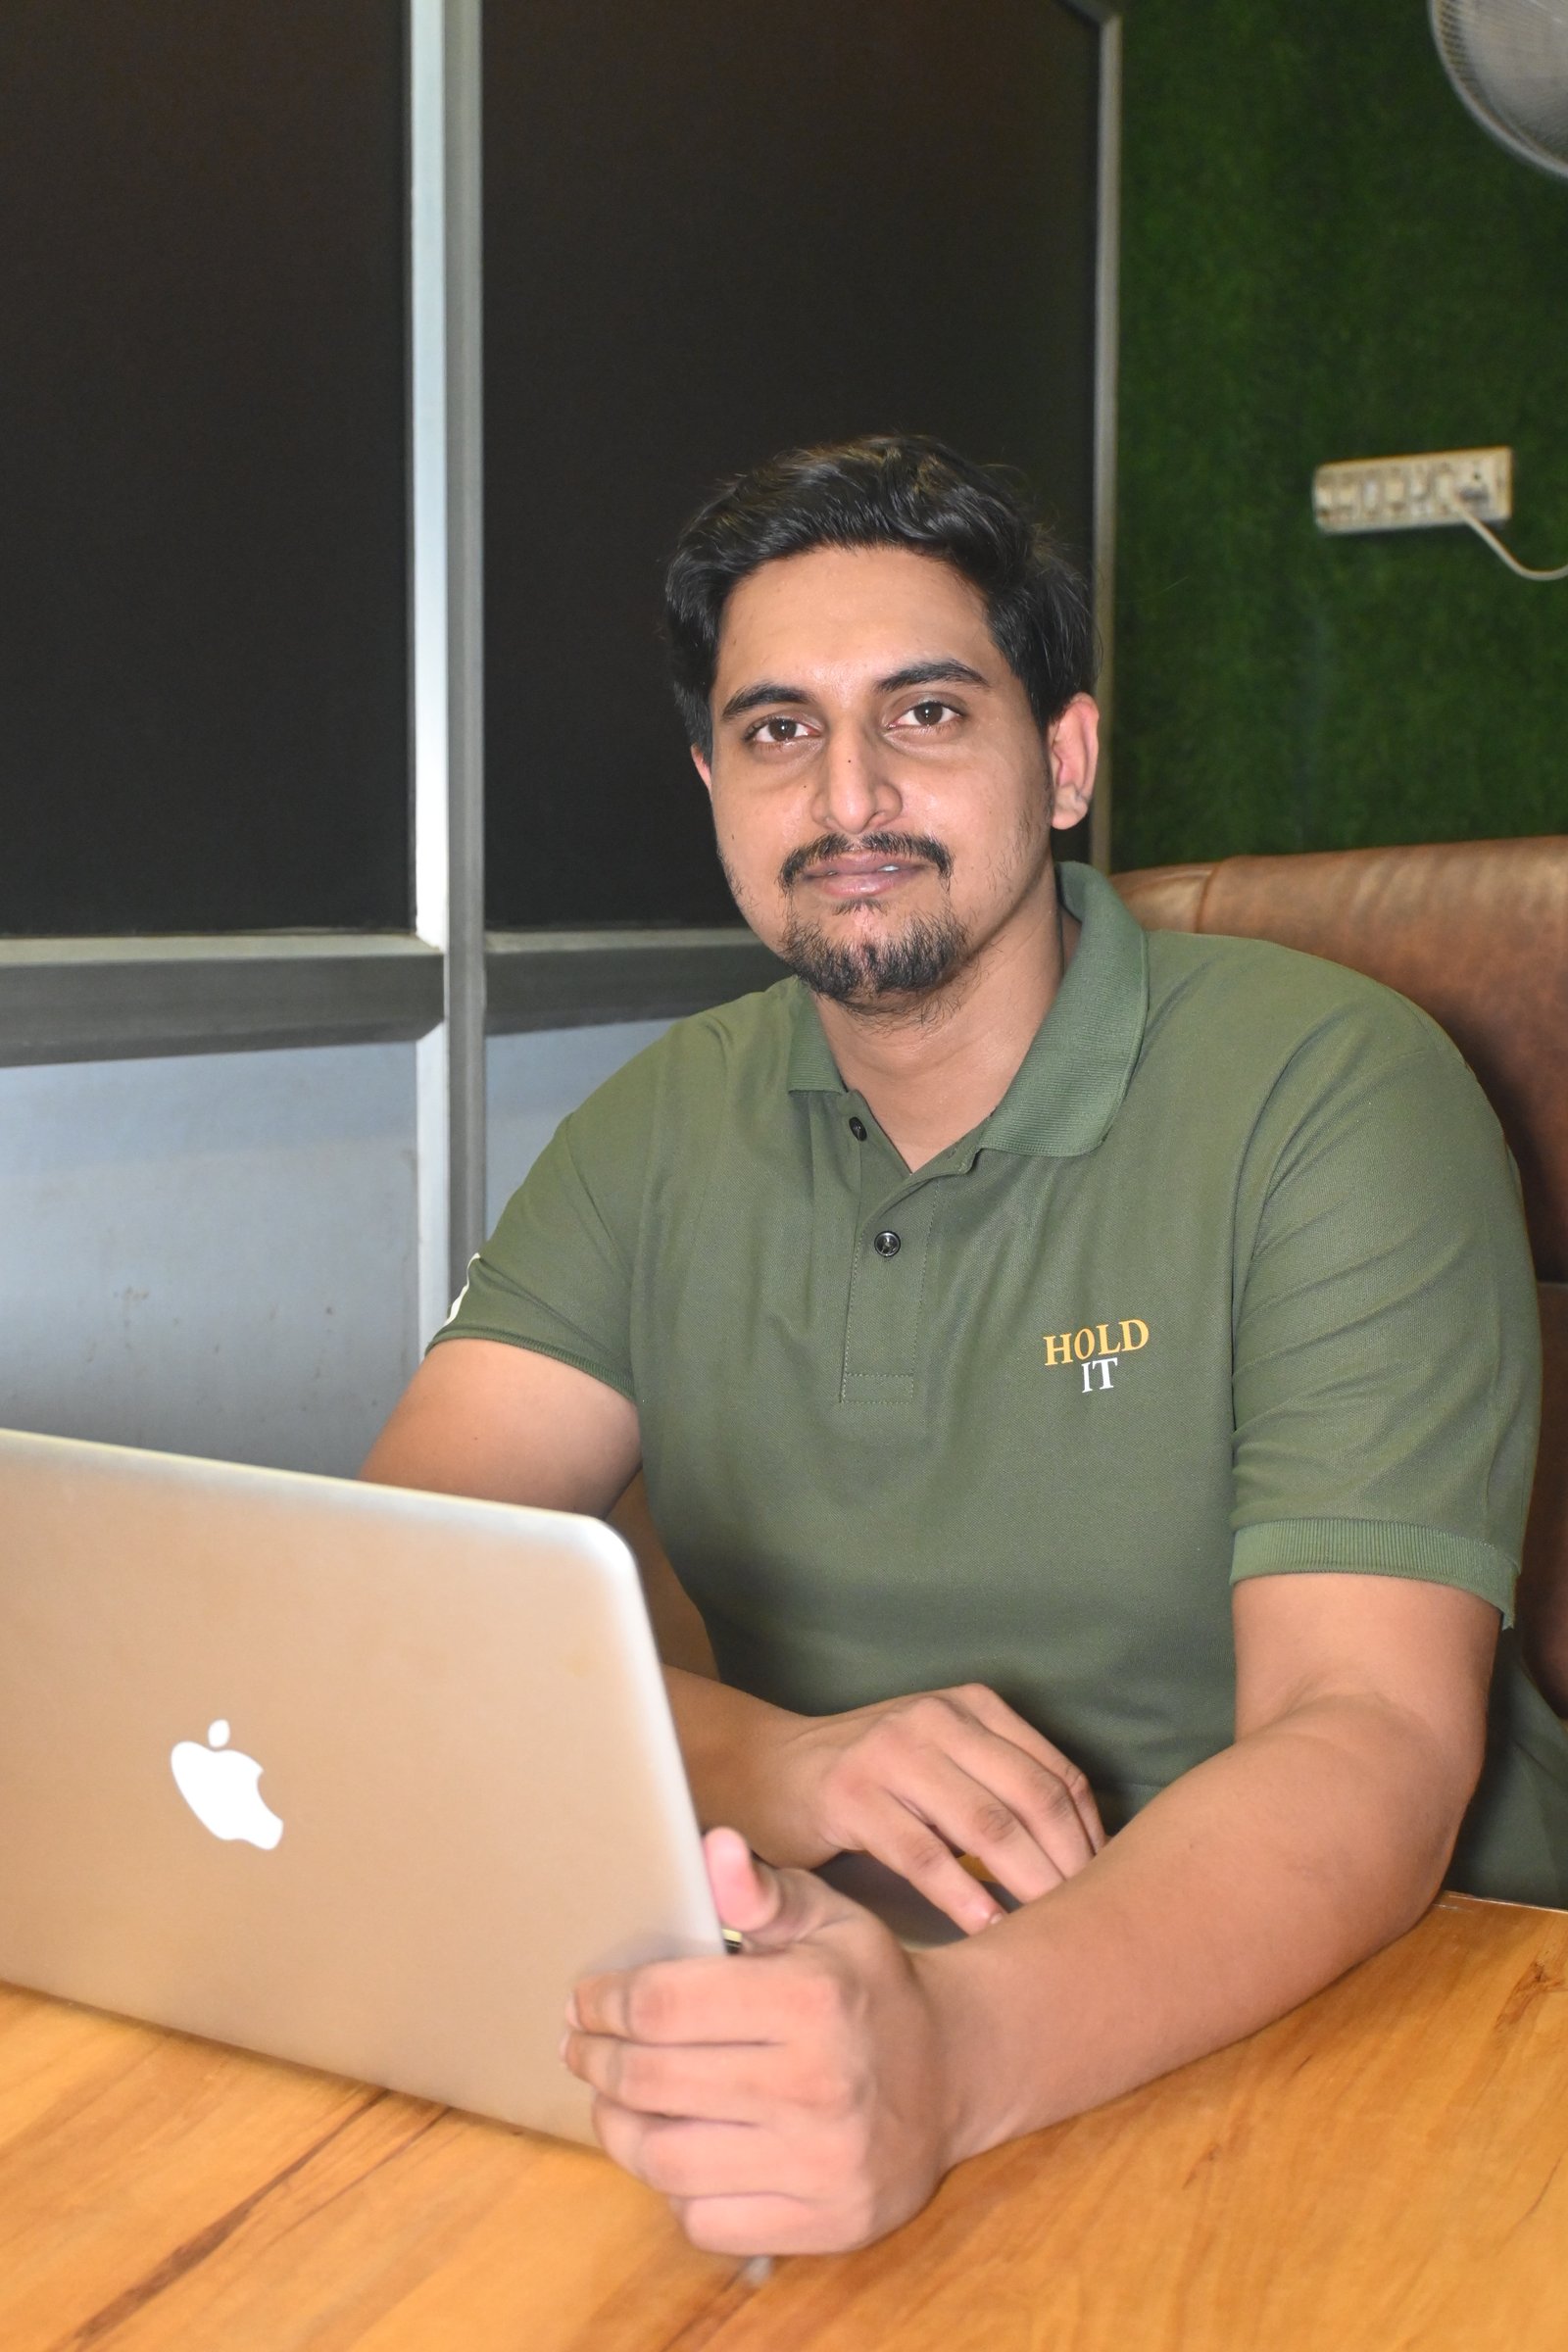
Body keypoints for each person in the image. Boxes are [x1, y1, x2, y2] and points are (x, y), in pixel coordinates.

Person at [363, 434, 1567, 2256]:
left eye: (925, 712)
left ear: (1063, 758)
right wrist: (790, 1767)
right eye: (777, 732)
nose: (848, 793)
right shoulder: (649, 1130)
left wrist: (960, 2050)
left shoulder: (1337, 1090)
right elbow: (404, 1601)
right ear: (713, 784)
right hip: (823, 1981)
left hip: (1377, 2008)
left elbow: (1365, 1737)